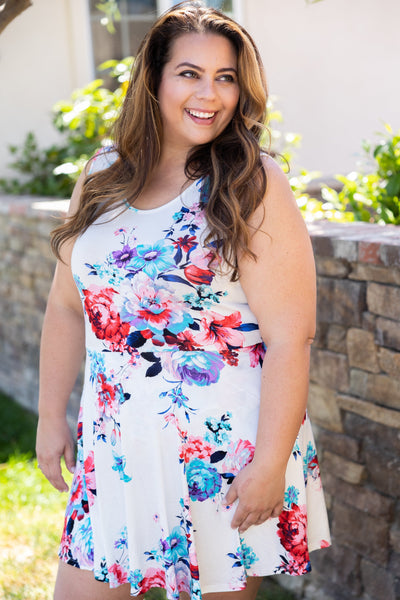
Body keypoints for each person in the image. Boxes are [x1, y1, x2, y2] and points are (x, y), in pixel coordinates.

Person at [36, 2, 331, 599]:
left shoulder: (251, 180)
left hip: (217, 454)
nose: (211, 94)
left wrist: (270, 463)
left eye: (226, 77)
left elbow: (290, 335)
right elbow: (68, 306)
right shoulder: (101, 175)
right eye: (190, 73)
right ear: (155, 79)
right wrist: (49, 416)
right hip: (115, 442)